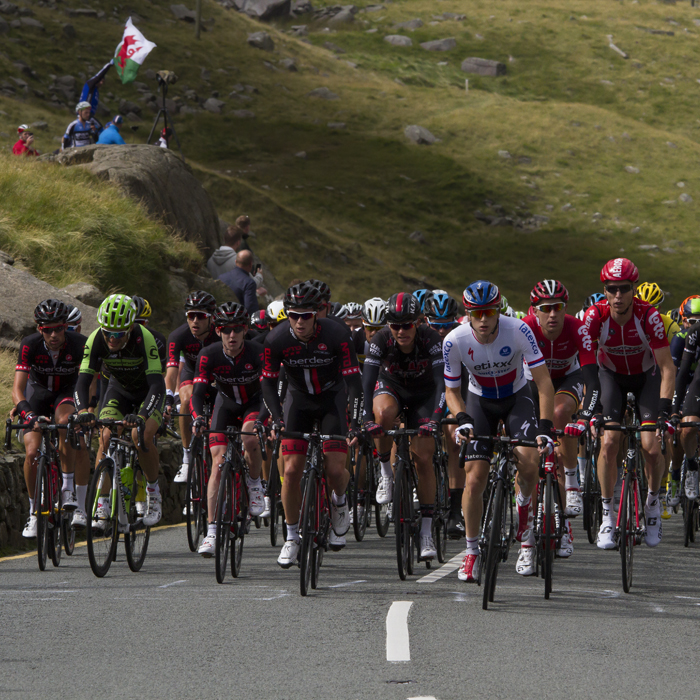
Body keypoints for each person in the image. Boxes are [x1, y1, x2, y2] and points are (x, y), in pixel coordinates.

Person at [442, 281, 555, 582]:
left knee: (530, 463)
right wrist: (462, 417)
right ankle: (471, 552)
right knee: (475, 477)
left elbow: (543, 383)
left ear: (498, 310)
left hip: (517, 397)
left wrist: (545, 427)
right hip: (480, 402)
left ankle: (525, 522)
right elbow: (451, 391)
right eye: (475, 313)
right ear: (467, 313)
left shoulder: (518, 330)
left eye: (489, 312)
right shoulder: (455, 340)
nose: (482, 319)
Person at [572, 258, 675, 549]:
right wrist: (591, 410)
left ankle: (652, 505)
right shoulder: (594, 317)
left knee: (651, 447)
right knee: (608, 442)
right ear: (605, 290)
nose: (618, 295)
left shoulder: (649, 317)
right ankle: (607, 515)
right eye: (612, 289)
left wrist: (665, 409)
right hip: (609, 379)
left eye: (625, 289)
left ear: (634, 289)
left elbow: (667, 368)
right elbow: (588, 368)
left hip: (646, 379)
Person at [262, 282, 362, 566]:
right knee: (291, 471)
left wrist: (355, 421)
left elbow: (354, 383)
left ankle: (340, 502)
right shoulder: (276, 339)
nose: (300, 321)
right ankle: (292, 537)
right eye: (294, 315)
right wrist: (277, 419)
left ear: (318, 313)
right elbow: (268, 383)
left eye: (306, 315)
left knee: (334, 469)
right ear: (287, 314)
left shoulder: (338, 334)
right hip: (298, 401)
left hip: (332, 398)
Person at [362, 292, 446, 561]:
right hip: (393, 389)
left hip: (424, 394)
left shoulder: (431, 340)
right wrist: (366, 419)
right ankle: (386, 472)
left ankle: (425, 531)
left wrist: (435, 418)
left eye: (407, 324)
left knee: (423, 458)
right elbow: (367, 384)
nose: (400, 331)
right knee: (383, 413)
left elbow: (443, 384)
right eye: (395, 325)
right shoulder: (380, 339)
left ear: (419, 322)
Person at [523, 280, 597, 558]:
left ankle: (571, 479)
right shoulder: (525, 327)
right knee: (529, 463)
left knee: (559, 413)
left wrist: (586, 417)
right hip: (531, 384)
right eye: (546, 308)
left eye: (558, 308)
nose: (553, 314)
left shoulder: (578, 329)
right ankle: (528, 534)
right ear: (535, 310)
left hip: (569, 377)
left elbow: (592, 378)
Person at [191, 303, 266, 556]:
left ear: (245, 330)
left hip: (254, 403)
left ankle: (255, 484)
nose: (231, 336)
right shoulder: (208, 354)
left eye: (236, 330)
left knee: (249, 438)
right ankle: (211, 532)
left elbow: (270, 391)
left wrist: (266, 419)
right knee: (217, 462)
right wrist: (198, 418)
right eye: (225, 330)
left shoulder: (258, 352)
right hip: (226, 405)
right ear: (218, 331)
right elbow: (198, 393)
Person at [13, 300, 88, 537]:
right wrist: (27, 412)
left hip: (67, 392)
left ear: (66, 326)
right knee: (32, 453)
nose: (53, 334)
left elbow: (89, 381)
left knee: (65, 422)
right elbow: (17, 389)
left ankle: (68, 489)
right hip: (38, 394)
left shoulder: (80, 343)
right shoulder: (29, 344)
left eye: (58, 328)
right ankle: (34, 512)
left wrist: (86, 408)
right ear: (39, 329)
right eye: (47, 329)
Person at [424, 292, 466, 538]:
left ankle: (455, 510)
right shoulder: (419, 337)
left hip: (453, 393)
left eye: (446, 326)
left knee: (453, 436)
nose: (441, 332)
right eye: (435, 326)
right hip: (427, 395)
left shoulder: (462, 337)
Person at [165, 291, 219, 483]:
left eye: (201, 316)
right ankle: (187, 459)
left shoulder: (221, 332)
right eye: (190, 315)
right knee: (187, 400)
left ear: (211, 318)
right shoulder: (178, 335)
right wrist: (169, 397)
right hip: (192, 373)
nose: (195, 320)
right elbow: (171, 371)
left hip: (218, 376)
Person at [219, 250, 260, 314]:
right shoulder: (249, 283)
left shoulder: (221, 277)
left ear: (235, 262)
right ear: (250, 265)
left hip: (220, 316)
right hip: (237, 320)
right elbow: (251, 309)